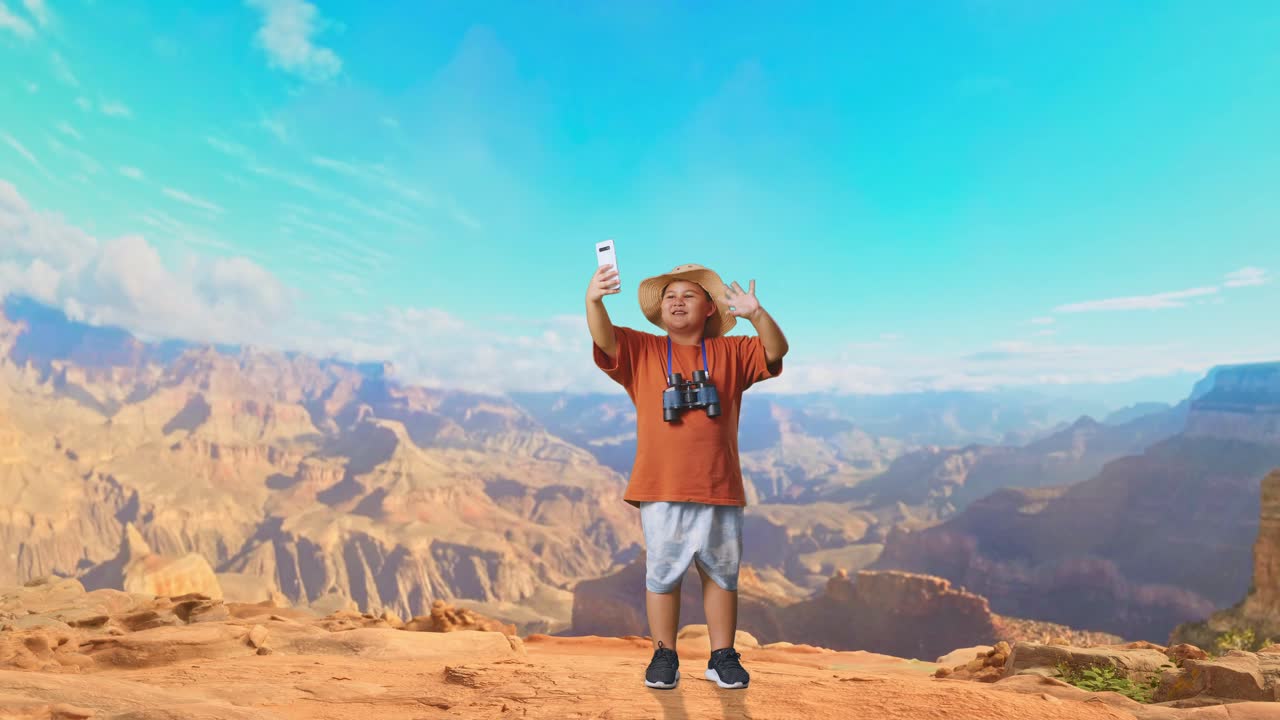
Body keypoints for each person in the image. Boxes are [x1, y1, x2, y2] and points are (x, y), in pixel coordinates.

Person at [585, 261, 788, 690]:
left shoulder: (733, 352)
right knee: (662, 574)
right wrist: (594, 300)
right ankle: (664, 655)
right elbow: (604, 338)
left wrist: (757, 314)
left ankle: (722, 656)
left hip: (719, 484)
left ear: (710, 307)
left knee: (722, 575)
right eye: (670, 297)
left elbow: (775, 351)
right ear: (660, 311)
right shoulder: (642, 349)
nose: (677, 302)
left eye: (688, 295)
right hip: (661, 485)